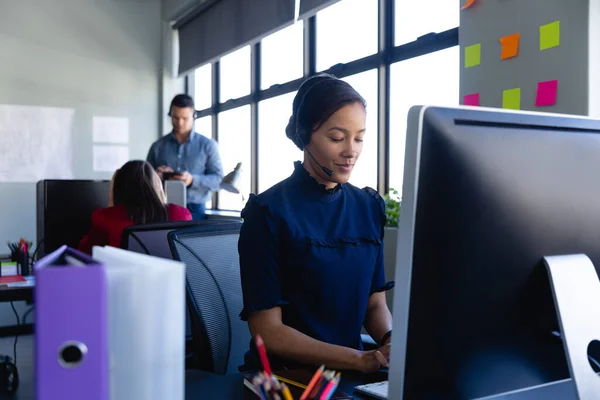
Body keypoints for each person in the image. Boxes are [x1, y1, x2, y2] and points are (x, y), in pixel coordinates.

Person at [238, 74, 393, 374]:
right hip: (287, 379)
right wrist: (360, 359)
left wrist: (391, 340)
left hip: (349, 375)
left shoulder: (368, 208)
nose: (351, 150)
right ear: (305, 135)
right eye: (337, 138)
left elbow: (375, 306)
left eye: (359, 137)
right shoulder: (268, 213)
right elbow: (267, 332)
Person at [78, 160, 192, 254]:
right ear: (157, 185)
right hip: (171, 280)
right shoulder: (182, 215)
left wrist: (112, 202)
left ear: (118, 187)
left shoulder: (104, 218)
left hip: (123, 280)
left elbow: (85, 254)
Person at [147, 94, 223, 220]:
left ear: (194, 116)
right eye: (175, 117)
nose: (180, 122)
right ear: (170, 115)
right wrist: (156, 176)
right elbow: (144, 180)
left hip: (196, 209)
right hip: (163, 207)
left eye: (185, 118)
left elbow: (219, 180)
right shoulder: (157, 146)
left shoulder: (207, 145)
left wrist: (192, 180)